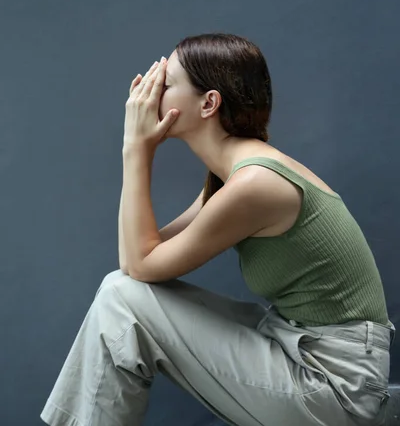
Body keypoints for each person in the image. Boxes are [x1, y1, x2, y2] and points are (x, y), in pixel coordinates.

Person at [41, 33, 394, 426]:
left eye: (166, 83)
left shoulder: (255, 184)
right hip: (297, 348)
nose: (149, 92)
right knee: (119, 293)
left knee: (121, 298)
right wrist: (137, 147)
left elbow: (139, 265)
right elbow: (139, 258)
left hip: (335, 385)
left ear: (209, 103)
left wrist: (135, 149)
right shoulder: (233, 177)